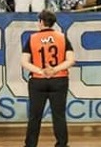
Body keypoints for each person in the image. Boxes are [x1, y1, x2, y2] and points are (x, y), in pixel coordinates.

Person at [21, 10, 75, 147]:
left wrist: (41, 71)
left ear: (41, 22)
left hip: (38, 80)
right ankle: (62, 144)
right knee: (59, 115)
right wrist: (54, 70)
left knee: (35, 116)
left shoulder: (32, 38)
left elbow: (24, 61)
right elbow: (71, 60)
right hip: (59, 79)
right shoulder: (62, 37)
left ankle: (30, 145)